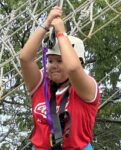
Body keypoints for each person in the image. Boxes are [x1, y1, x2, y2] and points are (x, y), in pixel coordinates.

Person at [19, 6, 100, 150]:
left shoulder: (86, 87)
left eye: (60, 61)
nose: (53, 66)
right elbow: (25, 58)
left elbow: (73, 68)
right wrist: (46, 23)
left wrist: (61, 34)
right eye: (50, 61)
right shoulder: (40, 83)